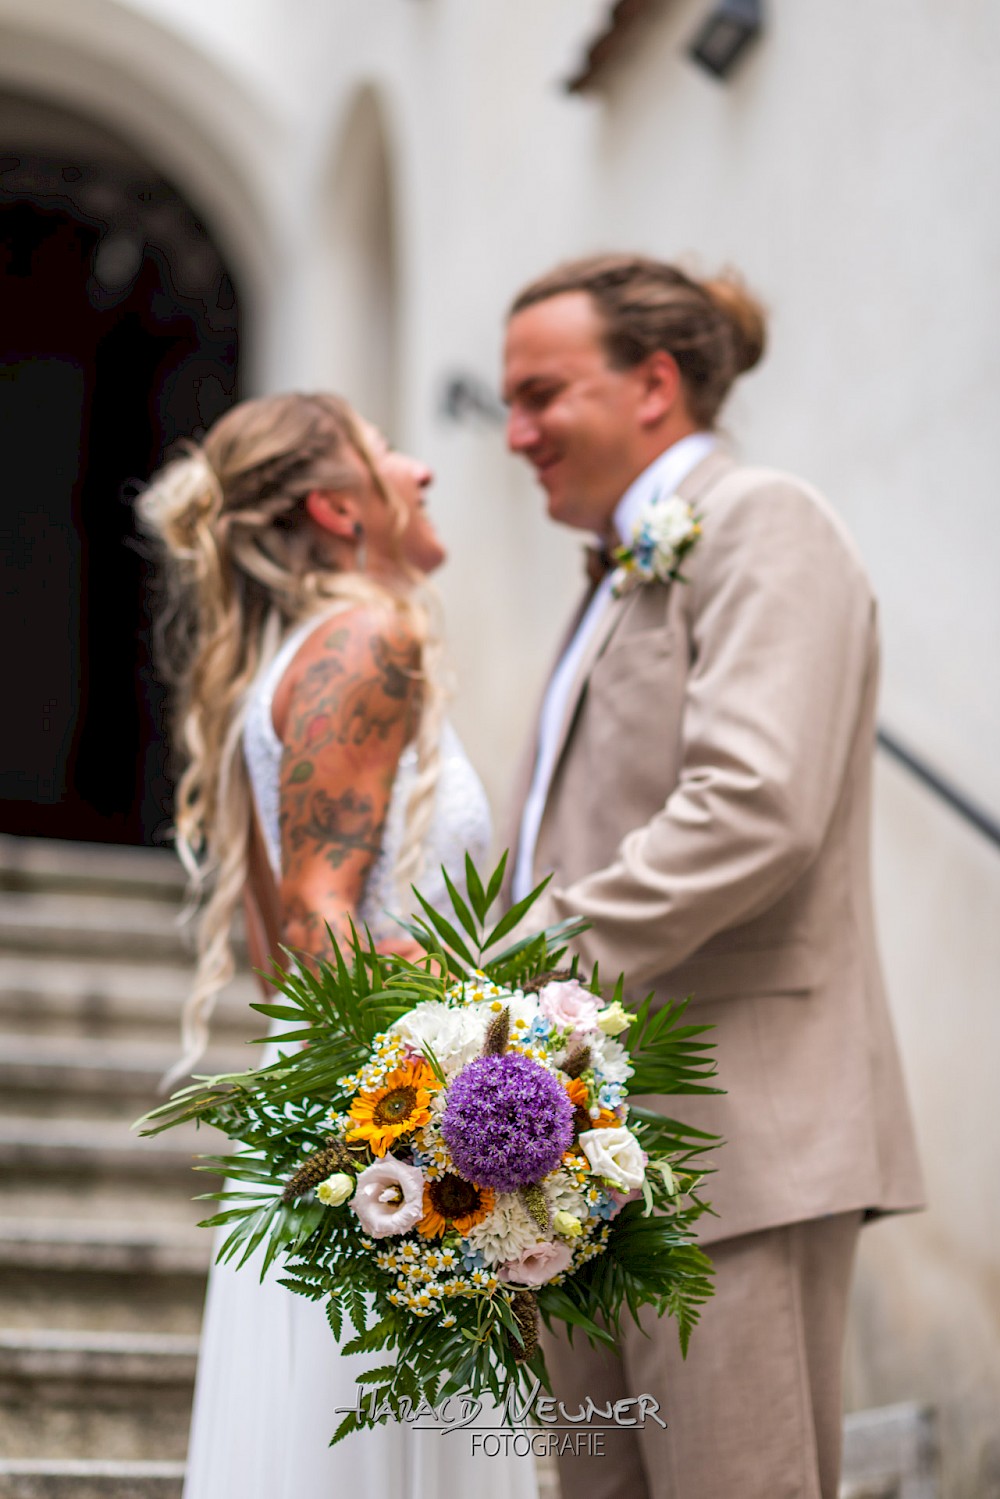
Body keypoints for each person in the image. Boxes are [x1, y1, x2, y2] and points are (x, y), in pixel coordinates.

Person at [501, 255, 924, 1499]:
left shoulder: (762, 520)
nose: (515, 430)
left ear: (655, 384)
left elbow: (753, 804)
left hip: (736, 1136)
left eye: (542, 393)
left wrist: (526, 974)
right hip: (583, 1150)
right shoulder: (614, 574)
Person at [138, 392, 537, 1499]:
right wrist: (492, 1060)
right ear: (334, 502)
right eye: (385, 450)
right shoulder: (366, 639)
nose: (422, 467)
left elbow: (286, 961)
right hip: (388, 1138)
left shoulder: (285, 664)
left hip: (350, 1114)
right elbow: (319, 932)